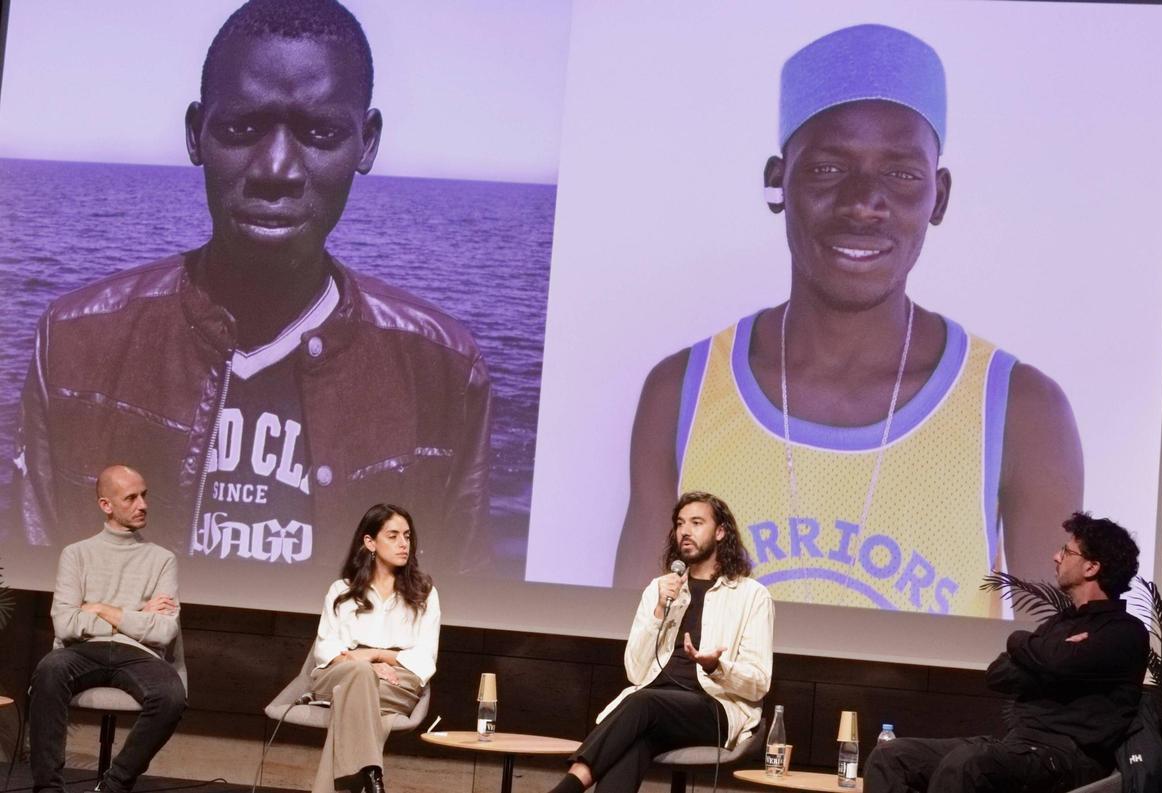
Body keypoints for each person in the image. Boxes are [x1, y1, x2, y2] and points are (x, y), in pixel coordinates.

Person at [615, 23, 1082, 617]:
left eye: (902, 174)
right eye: (829, 170)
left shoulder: (1021, 409)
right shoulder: (680, 393)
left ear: (938, 196)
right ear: (777, 181)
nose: (864, 202)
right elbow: (627, 646)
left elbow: (1062, 676)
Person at [15, 0, 492, 576]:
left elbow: (454, 603)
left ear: (365, 144)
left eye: (321, 132)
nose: (276, 168)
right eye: (242, 128)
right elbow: (29, 585)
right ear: (196, 134)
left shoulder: (442, 370)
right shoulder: (74, 343)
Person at [864, 512, 1149, 792]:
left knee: (967, 764)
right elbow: (999, 673)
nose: (1056, 556)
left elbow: (1059, 662)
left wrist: (1036, 654)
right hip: (1016, 745)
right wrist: (1035, 651)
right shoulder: (1061, 623)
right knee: (891, 757)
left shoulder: (1124, 632)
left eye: (1067, 551)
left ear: (1091, 567)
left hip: (1065, 757)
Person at [548, 492, 773, 793]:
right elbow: (636, 672)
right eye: (680, 523)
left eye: (696, 522)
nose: (685, 531)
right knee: (635, 742)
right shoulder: (661, 588)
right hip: (654, 708)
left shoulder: (751, 595)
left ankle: (565, 789)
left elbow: (759, 682)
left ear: (720, 532)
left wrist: (717, 666)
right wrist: (657, 611)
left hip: (713, 708)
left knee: (642, 702)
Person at [29, 465, 186, 793]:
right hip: (81, 651)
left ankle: (113, 787)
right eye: (131, 498)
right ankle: (48, 789)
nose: (142, 504)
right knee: (48, 672)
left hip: (139, 655)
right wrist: (137, 614)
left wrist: (101, 608)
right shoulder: (77, 555)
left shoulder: (162, 560)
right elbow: (66, 624)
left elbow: (163, 632)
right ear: (106, 505)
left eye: (144, 495)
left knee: (171, 695)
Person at [308, 503, 440, 793]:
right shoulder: (341, 591)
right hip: (340, 673)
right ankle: (371, 773)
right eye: (393, 536)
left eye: (407, 536)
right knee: (358, 677)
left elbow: (425, 656)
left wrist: (379, 656)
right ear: (370, 542)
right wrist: (364, 666)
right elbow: (326, 649)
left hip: (398, 680)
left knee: (352, 700)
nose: (403, 543)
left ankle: (369, 776)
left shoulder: (424, 593)